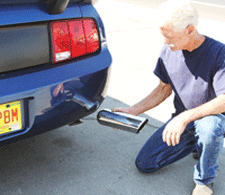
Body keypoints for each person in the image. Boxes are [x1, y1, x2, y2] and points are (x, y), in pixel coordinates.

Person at [113, 0, 225, 194]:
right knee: (145, 163)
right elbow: (163, 89)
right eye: (163, 36)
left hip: (212, 117)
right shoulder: (168, 50)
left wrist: (184, 117)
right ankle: (197, 145)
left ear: (190, 30)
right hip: (183, 121)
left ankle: (204, 180)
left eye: (170, 36)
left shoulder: (219, 53)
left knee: (209, 129)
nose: (165, 42)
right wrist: (132, 110)